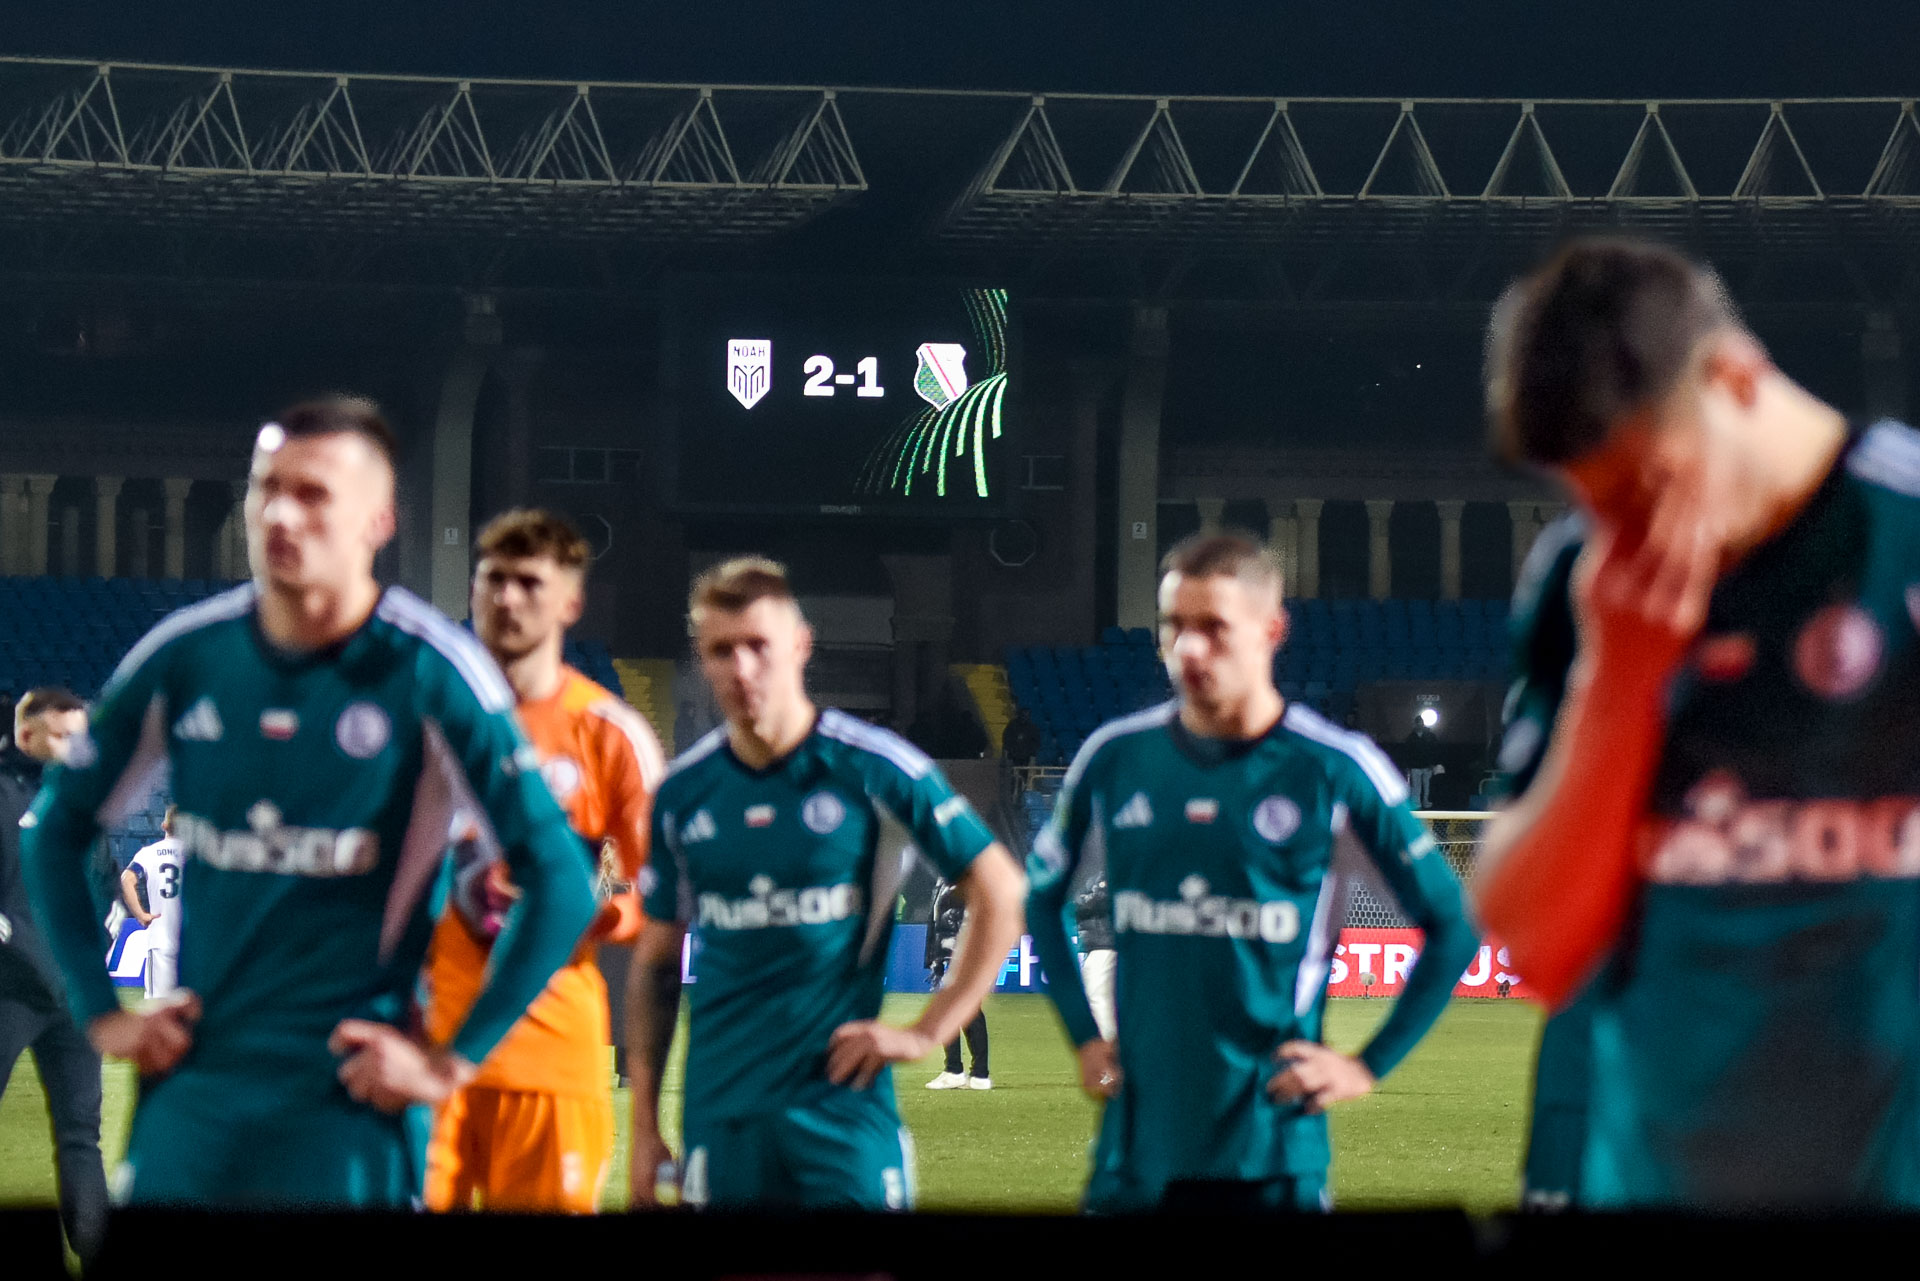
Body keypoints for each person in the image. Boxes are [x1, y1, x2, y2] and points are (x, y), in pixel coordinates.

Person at [21, 395, 598, 1209]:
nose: (281, 514)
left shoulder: (430, 671)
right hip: (195, 1090)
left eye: (314, 493)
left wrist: (450, 1061)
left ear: (379, 520)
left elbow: (562, 880)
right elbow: (55, 829)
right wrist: (97, 1007)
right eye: (266, 488)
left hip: (349, 1103)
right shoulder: (186, 655)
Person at [1473, 237, 1920, 1209]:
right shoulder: (1587, 584)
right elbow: (1539, 947)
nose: (1626, 537)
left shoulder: (1904, 534)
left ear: (1737, 377)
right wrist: (1615, 680)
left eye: (1650, 489)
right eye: (1596, 508)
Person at [1027, 532, 1478, 1213]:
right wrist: (1085, 1038)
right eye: (1173, 626)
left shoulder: (1334, 768)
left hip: (1271, 1157)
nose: (1189, 649)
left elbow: (1454, 923)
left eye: (1214, 628)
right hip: (1134, 1155)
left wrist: (1366, 1065)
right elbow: (1040, 900)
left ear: (1272, 630)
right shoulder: (1115, 757)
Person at [625, 557, 1027, 1210]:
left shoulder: (874, 768)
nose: (742, 668)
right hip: (722, 1121)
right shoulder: (682, 793)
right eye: (722, 650)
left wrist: (925, 1031)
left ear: (800, 645)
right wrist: (644, 1127)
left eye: (759, 645)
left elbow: (1002, 893)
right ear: (701, 659)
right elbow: (655, 964)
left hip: (842, 1116)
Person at [420, 509, 665, 1213]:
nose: (507, 598)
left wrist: (585, 896)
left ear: (570, 603)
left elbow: (646, 888)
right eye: (493, 579)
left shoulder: (609, 733)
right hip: (423, 1052)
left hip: (549, 1055)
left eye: (529, 583)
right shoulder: (419, 722)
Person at [0, 687, 107, 1261]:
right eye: (63, 737)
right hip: (8, 991)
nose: (76, 749)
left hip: (72, 998)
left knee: (81, 1135)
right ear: (26, 735)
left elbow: (103, 883)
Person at [923, 877, 990, 1090]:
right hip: (951, 954)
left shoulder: (966, 878)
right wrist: (935, 959)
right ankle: (978, 1074)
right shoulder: (944, 881)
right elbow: (937, 924)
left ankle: (955, 1071)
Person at [124, 807, 186, 999]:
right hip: (191, 941)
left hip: (160, 939)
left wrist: (140, 914)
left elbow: (127, 879)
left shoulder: (149, 853)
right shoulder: (194, 855)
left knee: (159, 1004)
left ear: (164, 825)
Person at [1071, 874, 1117, 1042]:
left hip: (1106, 944)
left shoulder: (1104, 871)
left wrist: (1082, 900)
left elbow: (1104, 900)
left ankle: (1106, 1044)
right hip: (1100, 944)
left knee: (1096, 998)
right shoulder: (1089, 874)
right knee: (1104, 998)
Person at [1401, 711, 1444, 809]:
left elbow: (1435, 750)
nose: (1420, 725)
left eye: (1421, 723)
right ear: (1415, 724)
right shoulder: (1411, 738)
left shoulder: (1430, 736)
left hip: (1427, 766)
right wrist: (1408, 766)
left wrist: (1433, 763)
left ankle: (1426, 802)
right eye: (1418, 723)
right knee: (1417, 787)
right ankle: (1417, 804)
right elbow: (1407, 753)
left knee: (1427, 786)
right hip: (1415, 766)